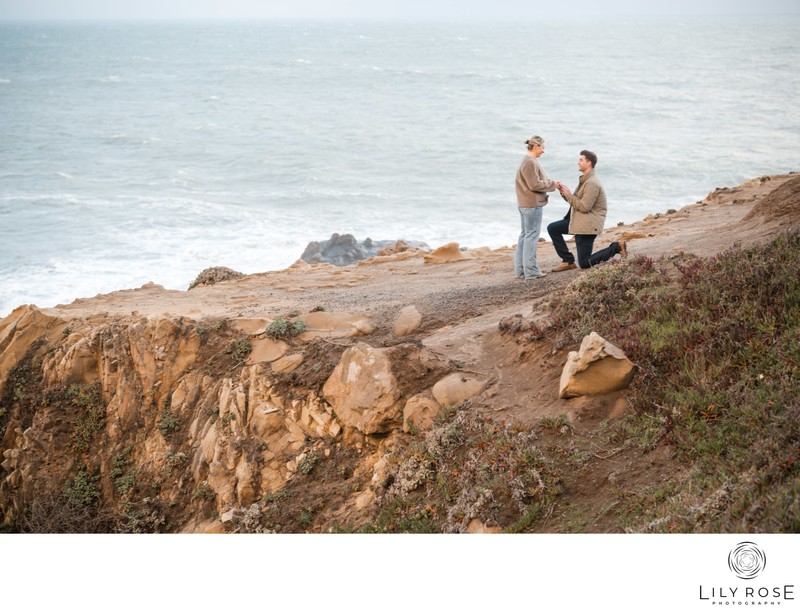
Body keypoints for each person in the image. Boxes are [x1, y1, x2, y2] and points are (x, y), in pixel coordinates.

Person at [548, 149, 627, 271]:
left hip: (588, 225)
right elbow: (575, 201)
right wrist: (564, 193)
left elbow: (584, 207)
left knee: (585, 263)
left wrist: (569, 195)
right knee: (553, 228)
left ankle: (616, 247)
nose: (578, 163)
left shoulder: (592, 183)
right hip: (579, 221)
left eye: (581, 160)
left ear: (589, 163)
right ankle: (568, 261)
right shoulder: (585, 180)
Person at [514, 135, 560, 279]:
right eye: (542, 147)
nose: (543, 151)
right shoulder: (529, 162)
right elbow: (534, 184)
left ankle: (521, 270)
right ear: (535, 146)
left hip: (525, 204)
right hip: (531, 204)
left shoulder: (528, 161)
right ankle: (531, 271)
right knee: (531, 236)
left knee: (525, 235)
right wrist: (553, 184)